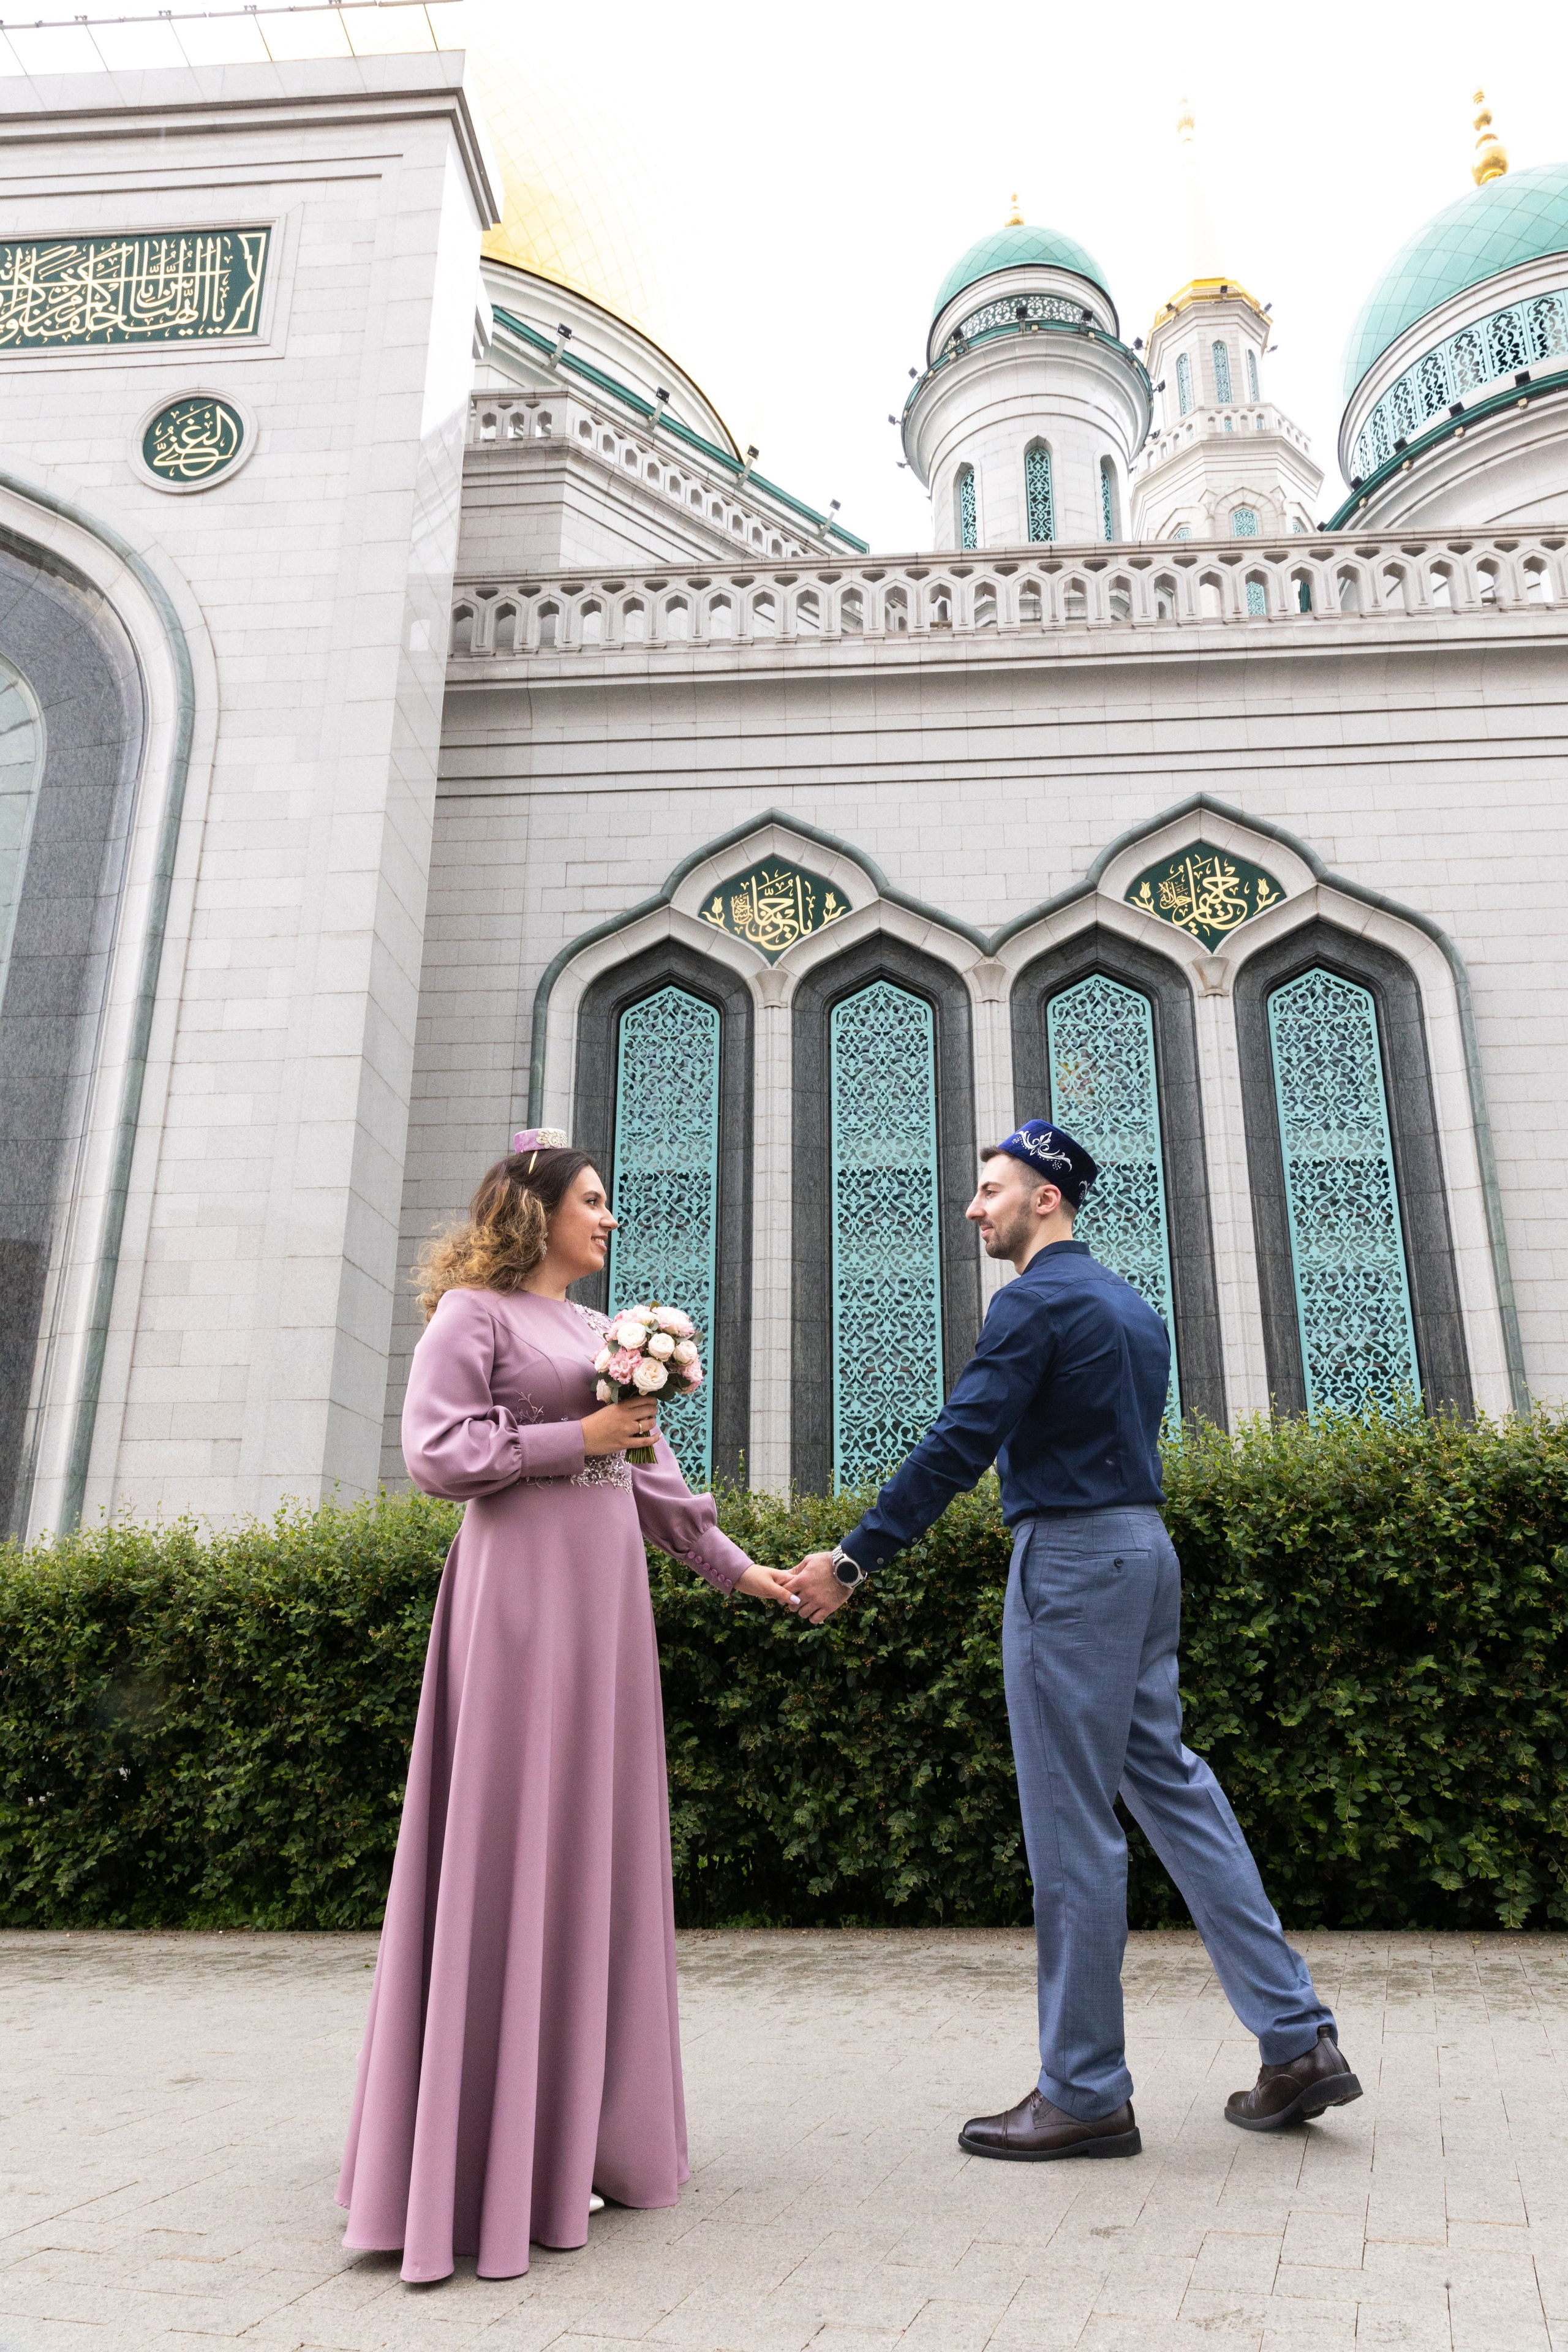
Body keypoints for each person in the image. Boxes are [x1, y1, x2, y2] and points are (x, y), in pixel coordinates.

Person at [785, 1121, 1361, 2160]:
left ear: (1045, 1198)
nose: (975, 1208)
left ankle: (1084, 2090)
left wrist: (855, 1559)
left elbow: (962, 1440)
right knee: (1175, 1790)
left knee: (1070, 1825)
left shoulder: (1034, 1301)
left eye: (992, 1189)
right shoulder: (1132, 1307)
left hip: (1072, 1562)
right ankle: (1297, 2040)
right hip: (1143, 1551)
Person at [337, 1134, 791, 2279]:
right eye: (592, 1200)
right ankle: (483, 2154)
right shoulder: (472, 1317)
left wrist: (744, 1573)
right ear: (535, 1210)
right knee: (511, 1839)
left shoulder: (604, 1335)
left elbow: (655, 1485)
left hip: (606, 1609)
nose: (609, 1218)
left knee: (592, 1843)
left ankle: (585, 2139)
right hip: (519, 1602)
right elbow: (436, 1453)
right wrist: (571, 1439)